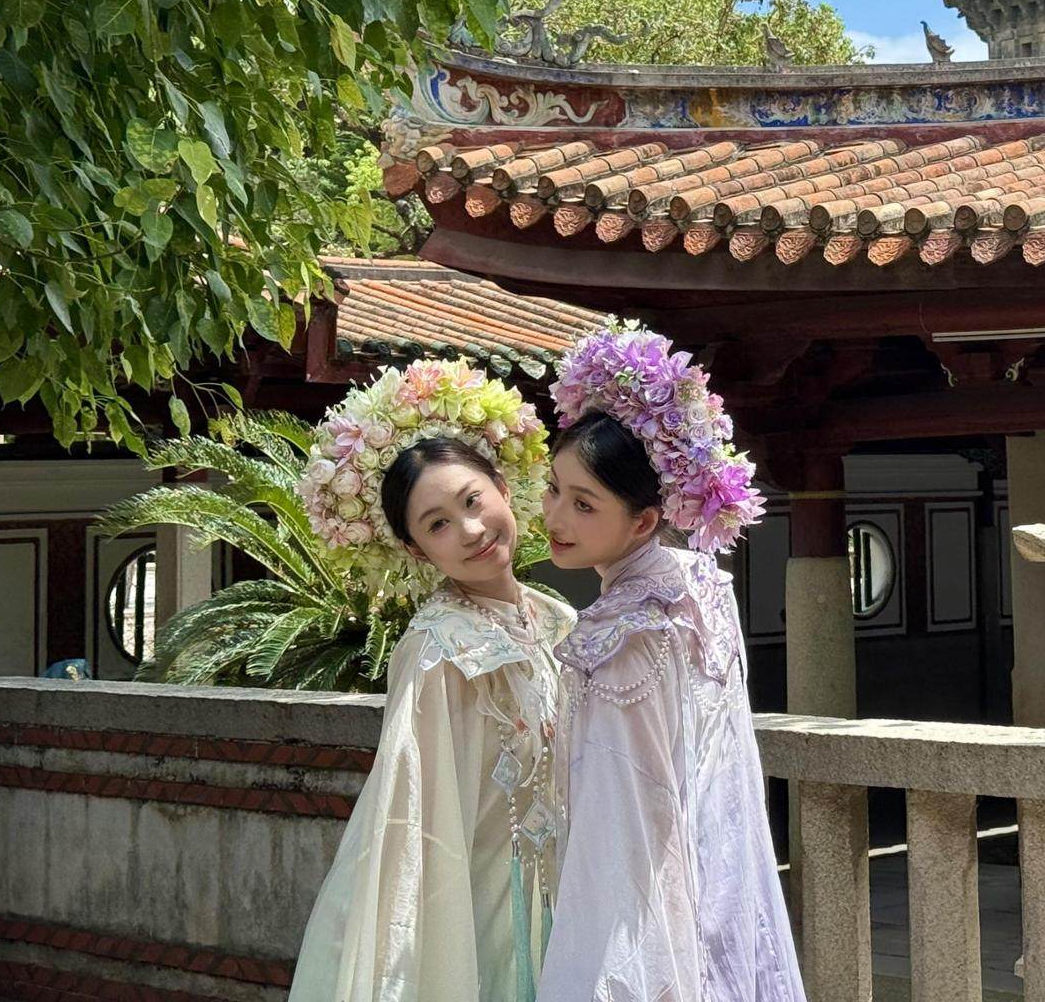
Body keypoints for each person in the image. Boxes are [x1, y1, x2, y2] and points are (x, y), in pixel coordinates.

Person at [289, 361, 573, 1002]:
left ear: (503, 488)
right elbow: (417, 814)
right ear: (418, 551)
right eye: (438, 523)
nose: (470, 530)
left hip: (574, 894)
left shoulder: (557, 622)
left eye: (473, 501)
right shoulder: (440, 648)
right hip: (489, 915)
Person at [537, 324, 804, 1000]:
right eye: (553, 489)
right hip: (725, 880)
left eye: (583, 503)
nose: (554, 517)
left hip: (646, 910)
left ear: (644, 522)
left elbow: (619, 821)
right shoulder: (703, 585)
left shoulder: (618, 634)